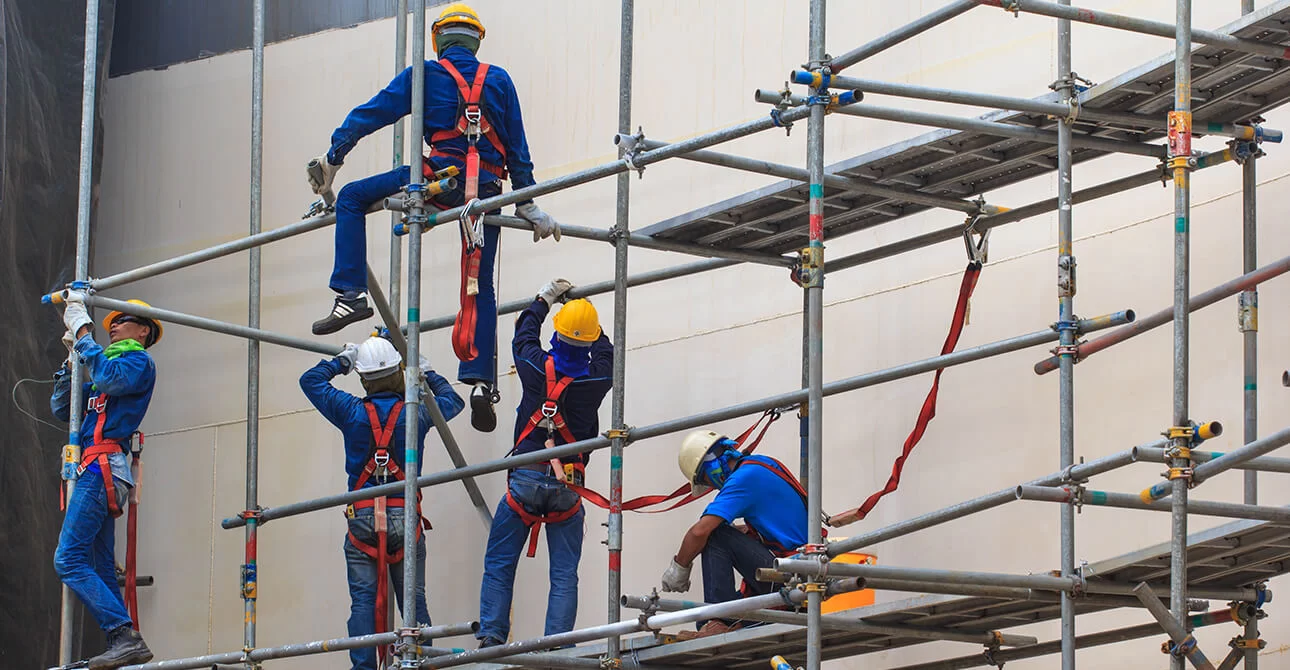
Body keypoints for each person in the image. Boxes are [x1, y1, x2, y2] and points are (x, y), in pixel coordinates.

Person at [306, 2, 561, 434]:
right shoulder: (499, 80)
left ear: (438, 39)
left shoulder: (424, 75)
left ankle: (351, 294)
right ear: (476, 41)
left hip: (436, 181)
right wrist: (528, 202)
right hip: (486, 193)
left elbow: (371, 114)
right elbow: (518, 147)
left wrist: (334, 156)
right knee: (479, 283)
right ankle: (480, 383)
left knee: (350, 198)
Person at [299, 336, 464, 670]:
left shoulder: (350, 411)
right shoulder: (416, 413)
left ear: (364, 379)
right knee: (414, 601)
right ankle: (419, 661)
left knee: (363, 602)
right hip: (405, 517)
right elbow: (453, 401)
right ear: (400, 372)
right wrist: (427, 372)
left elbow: (310, 381)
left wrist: (342, 361)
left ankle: (363, 667)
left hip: (361, 518)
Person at [476, 280, 612, 648]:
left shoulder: (534, 366)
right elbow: (606, 352)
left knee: (500, 564)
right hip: (569, 485)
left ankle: (492, 636)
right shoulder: (599, 378)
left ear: (557, 334)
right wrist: (589, 320)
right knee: (565, 575)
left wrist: (545, 299)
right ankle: (557, 646)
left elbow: (524, 335)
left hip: (527, 478)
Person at [51, 296, 162, 669]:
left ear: (143, 330)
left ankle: (123, 636)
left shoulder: (137, 363)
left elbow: (109, 378)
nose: (112, 324)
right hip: (95, 469)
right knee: (98, 566)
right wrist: (72, 361)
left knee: (68, 559)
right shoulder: (104, 371)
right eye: (109, 320)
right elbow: (62, 407)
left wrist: (84, 334)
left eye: (122, 319)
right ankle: (124, 646)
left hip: (103, 468)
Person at [659, 430, 809, 640]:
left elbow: (700, 531)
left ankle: (720, 620)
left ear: (710, 467)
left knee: (715, 535)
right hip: (798, 572)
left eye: (705, 480)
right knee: (715, 614)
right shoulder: (760, 464)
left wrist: (679, 567)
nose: (711, 486)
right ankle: (724, 621)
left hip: (789, 577)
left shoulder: (743, 479)